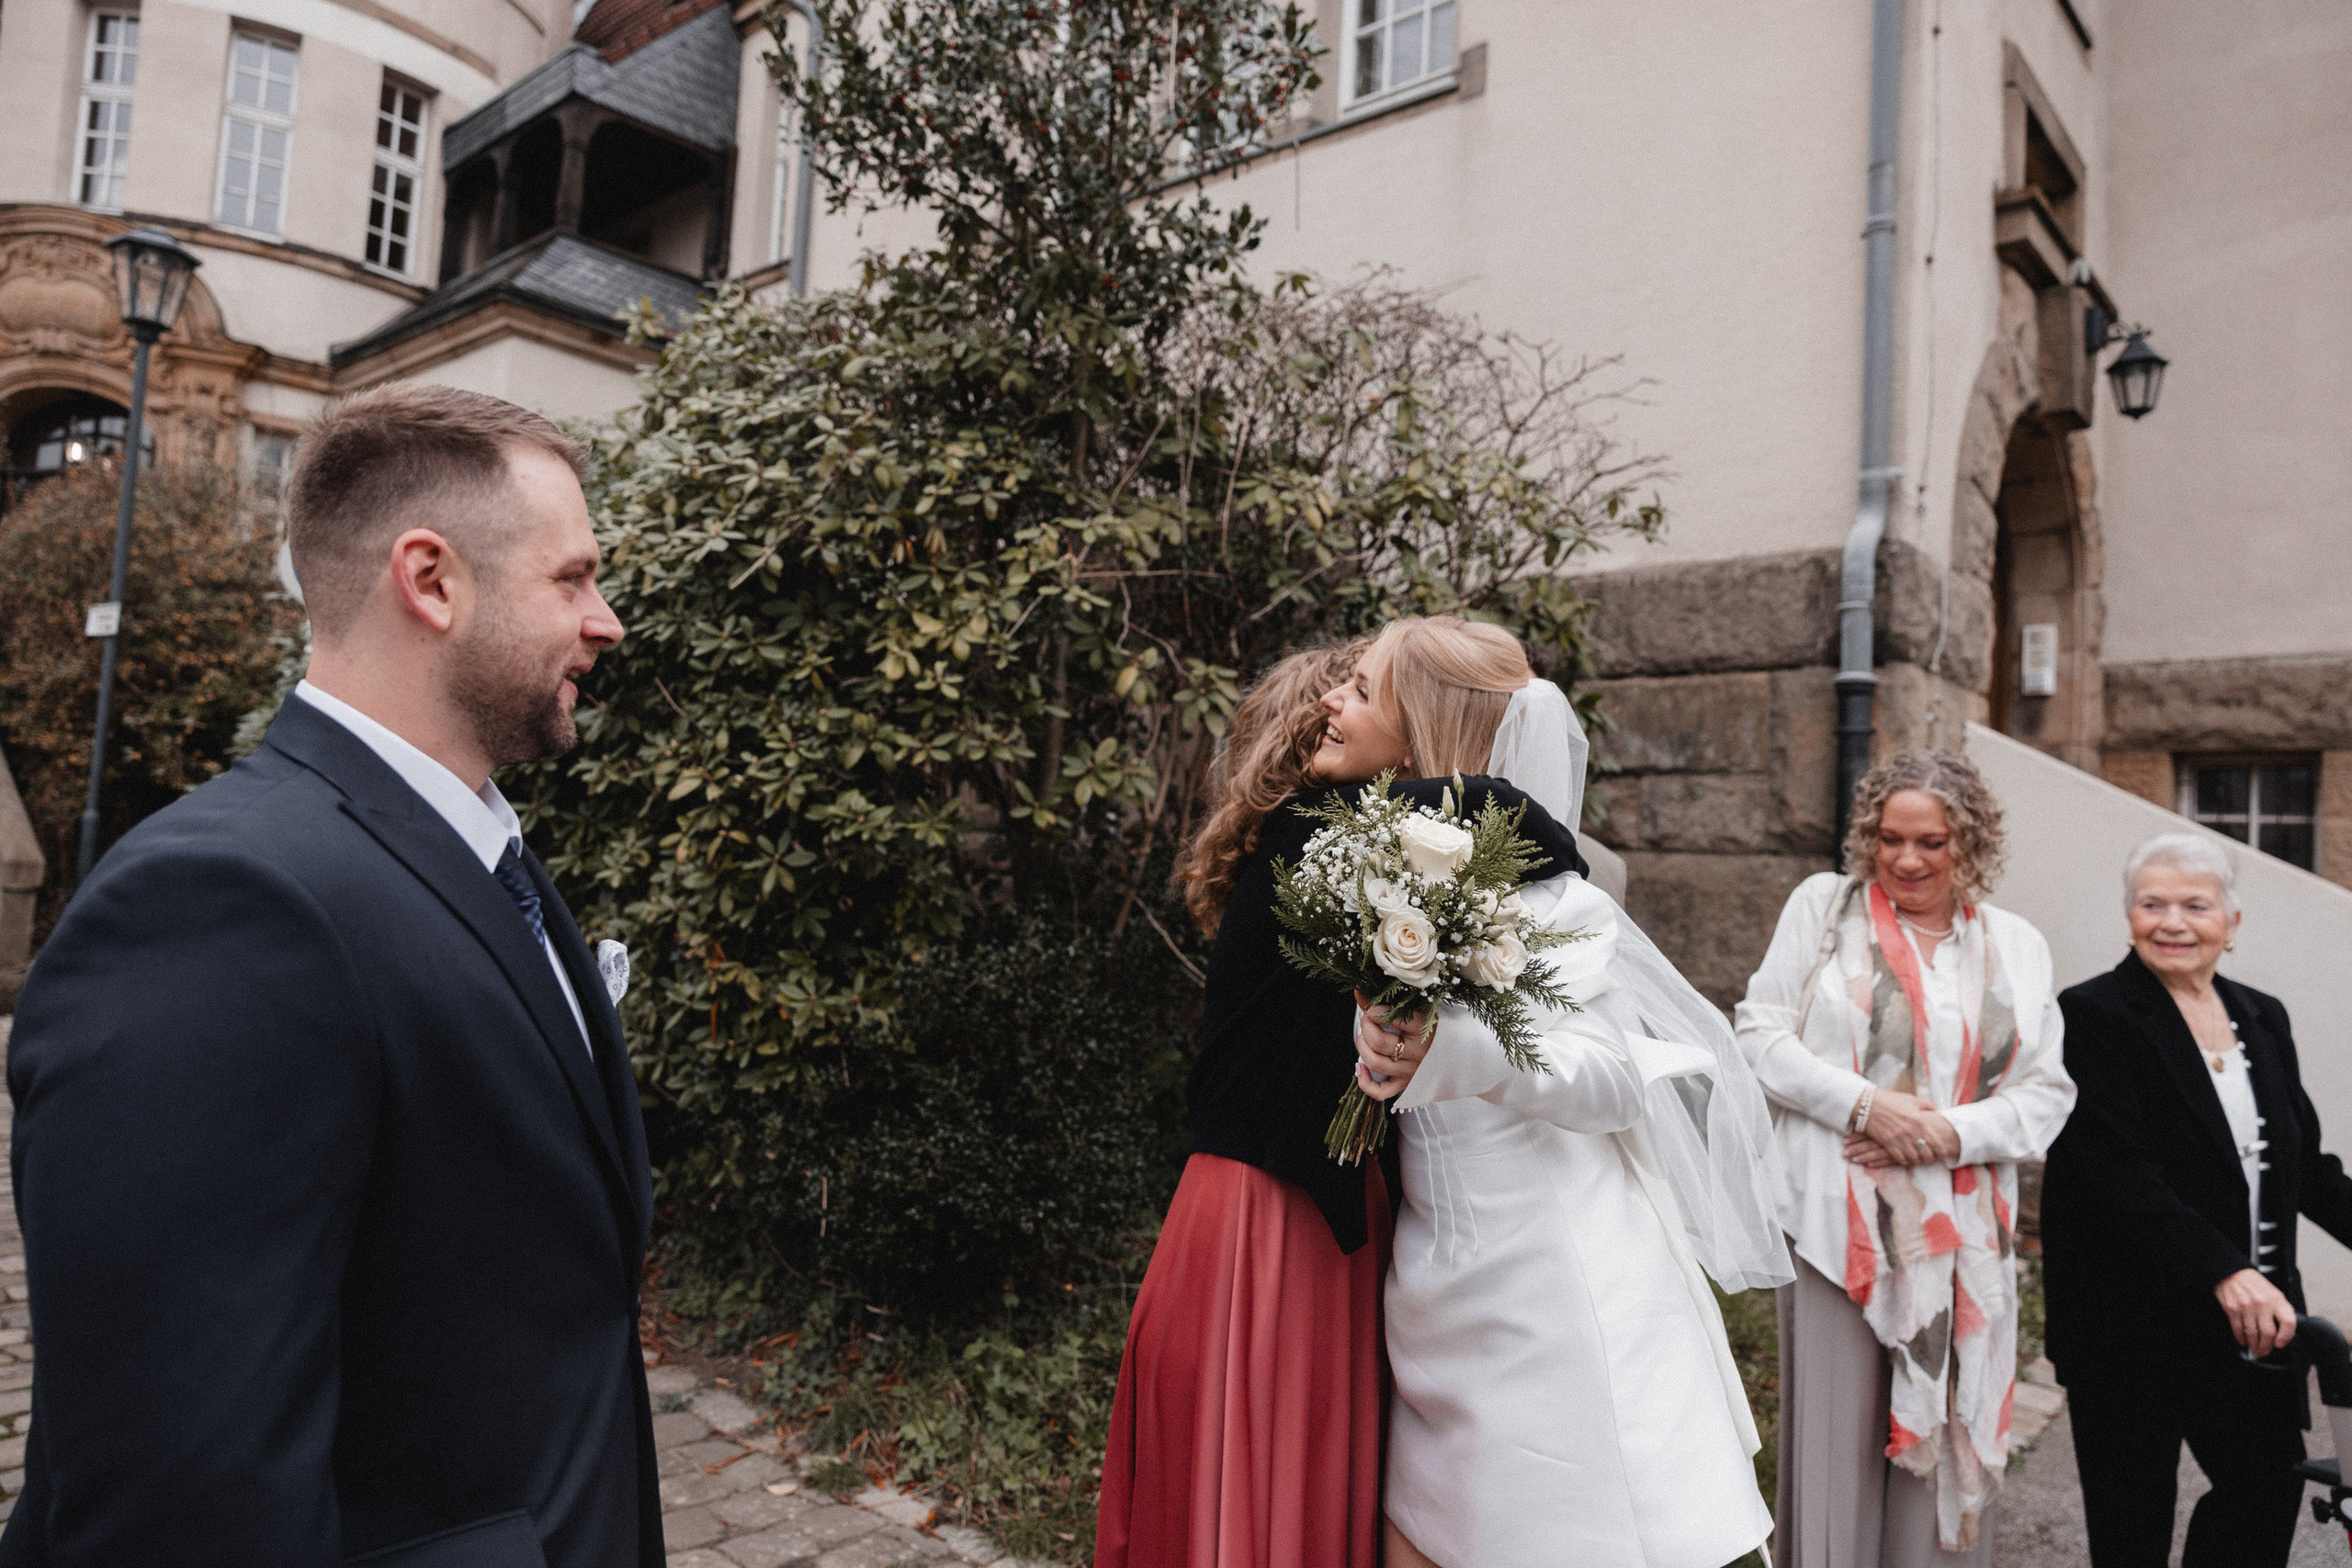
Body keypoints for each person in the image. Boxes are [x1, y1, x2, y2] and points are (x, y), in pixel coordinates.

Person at [3, 384, 658, 1567]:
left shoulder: (472, 847)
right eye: (572, 578)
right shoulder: (218, 909)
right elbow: (180, 1502)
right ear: (432, 580)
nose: (605, 619)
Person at [1094, 636, 1587, 1568]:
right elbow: (1538, 831)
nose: (1335, 711)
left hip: (1307, 1220)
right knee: (1256, 1485)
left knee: (1275, 1480)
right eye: (1337, 695)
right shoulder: (1311, 846)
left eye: (1360, 696)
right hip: (1263, 1227)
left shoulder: (1339, 853)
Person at [1342, 616, 1788, 1568]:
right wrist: (1374, 1044)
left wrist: (1450, 1048)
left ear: (1422, 726)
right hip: (1435, 1270)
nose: (1338, 703)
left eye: (1365, 690)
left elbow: (1613, 1080)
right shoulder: (1379, 877)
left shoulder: (1552, 898)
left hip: (1550, 1285)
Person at [1734, 749, 2075, 1565]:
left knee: (1939, 1451)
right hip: (1833, 1227)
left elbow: (2045, 1094)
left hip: (1961, 1238)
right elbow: (1757, 1034)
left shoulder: (2016, 944)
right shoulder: (1824, 908)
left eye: (1933, 842)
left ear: (1971, 842)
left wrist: (1948, 1134)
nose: (1908, 860)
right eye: (1891, 838)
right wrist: (1866, 1106)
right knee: (1836, 1453)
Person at [2041, 832, 2352, 1567]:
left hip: (2256, 1329)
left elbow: (2305, 1164)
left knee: (2268, 1494)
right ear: (2129, 917)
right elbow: (2115, 1170)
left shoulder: (2262, 1016)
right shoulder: (2092, 1014)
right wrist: (2225, 1268)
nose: (2172, 922)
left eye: (2194, 905)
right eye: (2152, 904)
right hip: (2128, 1324)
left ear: (2231, 922)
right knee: (2131, 1532)